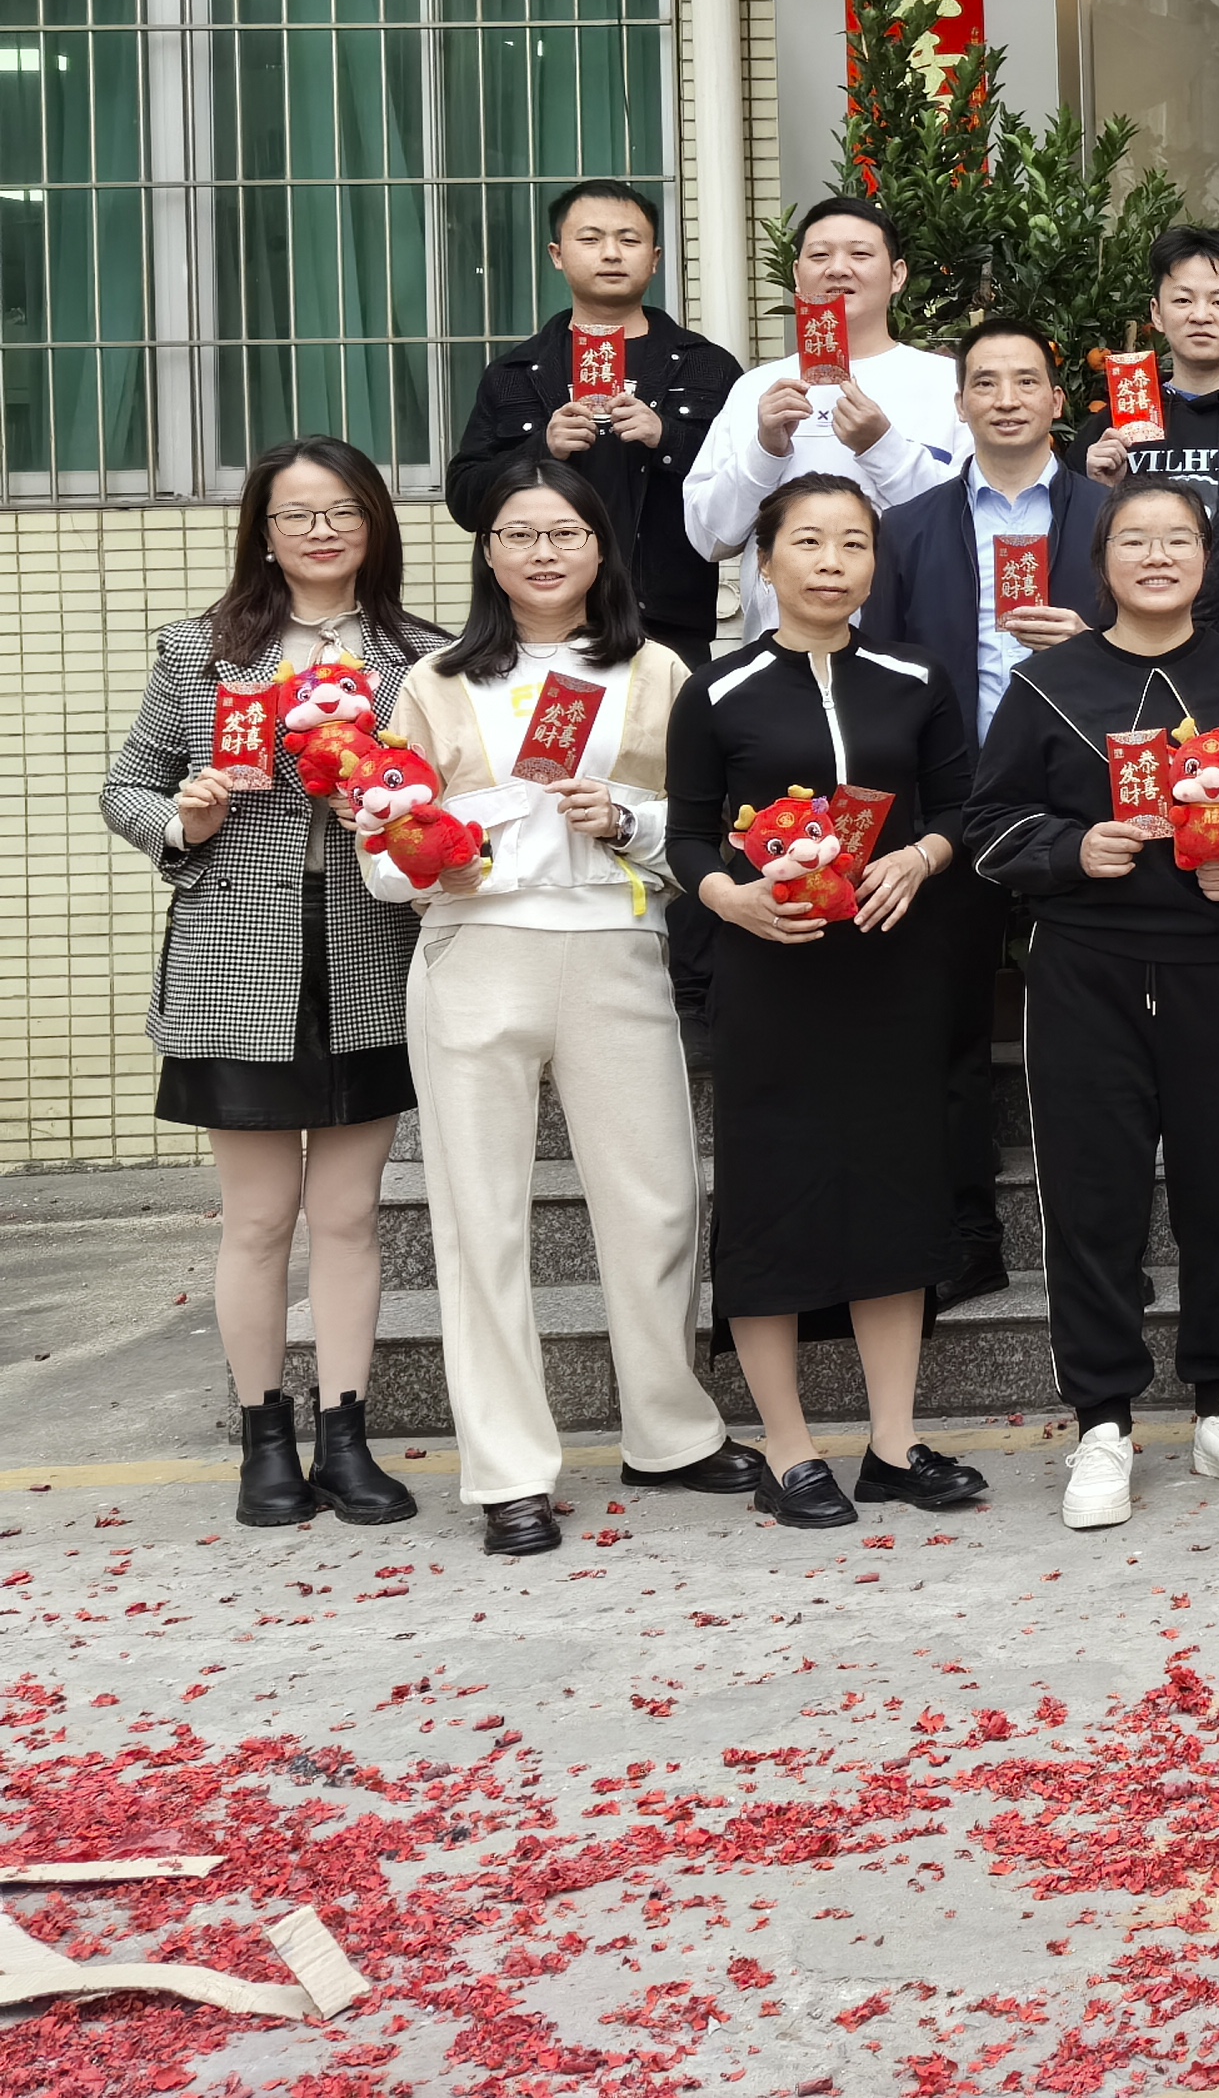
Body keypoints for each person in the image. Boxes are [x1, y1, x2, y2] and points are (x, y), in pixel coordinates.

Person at [365, 460, 732, 1558]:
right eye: (518, 534)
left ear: (599, 548)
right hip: (476, 951)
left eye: (564, 532)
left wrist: (624, 818)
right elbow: (382, 844)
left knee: (656, 1202)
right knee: (480, 1218)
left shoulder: (656, 670)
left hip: (615, 948)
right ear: (487, 554)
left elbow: (700, 831)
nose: (541, 552)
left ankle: (669, 1432)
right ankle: (508, 1472)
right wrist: (443, 853)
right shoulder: (435, 680)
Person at [98, 438, 445, 1529]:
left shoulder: (424, 659)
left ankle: (346, 1438)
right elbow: (127, 785)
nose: (321, 530)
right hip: (233, 957)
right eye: (297, 514)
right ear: (263, 532)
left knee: (350, 1213)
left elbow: (453, 801)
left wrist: (396, 814)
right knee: (256, 1219)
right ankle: (263, 1439)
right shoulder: (199, 650)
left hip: (367, 952)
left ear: (375, 524)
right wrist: (185, 817)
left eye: (343, 510)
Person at [959, 479, 1219, 1531]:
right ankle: (1102, 1420)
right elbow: (989, 826)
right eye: (1135, 540)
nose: (1158, 557)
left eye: (1179, 540)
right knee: (1091, 1198)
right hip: (1087, 973)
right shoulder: (1048, 683)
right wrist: (1074, 849)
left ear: (1208, 559)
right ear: (1101, 561)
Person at [669, 477, 988, 1523]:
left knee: (897, 1192)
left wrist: (922, 857)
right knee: (773, 1199)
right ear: (764, 561)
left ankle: (893, 1444)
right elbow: (686, 835)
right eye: (807, 542)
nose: (831, 562)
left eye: (853, 543)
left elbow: (963, 806)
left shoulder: (916, 677)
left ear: (874, 565)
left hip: (892, 968)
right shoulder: (715, 689)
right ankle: (790, 1448)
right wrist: (730, 898)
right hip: (772, 969)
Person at [862, 316, 1112, 1310]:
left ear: (1058, 399)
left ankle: (1103, 1249)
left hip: (1085, 803)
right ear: (960, 402)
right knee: (948, 1031)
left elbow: (1173, 644)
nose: (1006, 399)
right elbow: (882, 674)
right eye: (985, 382)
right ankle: (966, 1236)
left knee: (1097, 1037)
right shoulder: (909, 525)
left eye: (1026, 380)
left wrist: (1092, 643)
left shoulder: (1112, 517)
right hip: (952, 803)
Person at [446, 180, 742, 654]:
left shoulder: (707, 365)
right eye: (590, 239)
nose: (611, 253)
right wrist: (542, 450)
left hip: (667, 622)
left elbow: (744, 486)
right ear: (557, 254)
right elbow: (466, 500)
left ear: (655, 258)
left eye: (629, 240)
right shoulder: (514, 373)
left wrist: (666, 437)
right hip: (540, 620)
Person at [682, 197, 963, 642]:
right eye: (819, 255)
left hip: (913, 646)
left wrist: (883, 448)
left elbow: (969, 524)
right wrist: (764, 451)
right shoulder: (757, 388)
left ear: (897, 275)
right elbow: (709, 538)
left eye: (860, 254)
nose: (838, 268)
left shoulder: (948, 385)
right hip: (782, 654)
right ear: (797, 275)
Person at [1085, 225, 1219, 635]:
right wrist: (1096, 491)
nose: (1200, 315)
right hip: (1133, 638)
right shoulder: (1114, 426)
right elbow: (1083, 546)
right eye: (1183, 300)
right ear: (1157, 313)